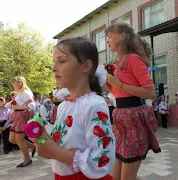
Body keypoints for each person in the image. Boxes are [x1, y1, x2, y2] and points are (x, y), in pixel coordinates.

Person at [31, 37, 115, 180]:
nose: (53, 68)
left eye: (61, 61)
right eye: (54, 62)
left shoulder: (94, 105)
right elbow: (71, 143)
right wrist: (47, 140)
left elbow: (102, 159)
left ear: (85, 66)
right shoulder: (64, 105)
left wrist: (55, 152)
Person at [105, 22, 161, 180]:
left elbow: (150, 93)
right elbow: (121, 94)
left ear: (122, 36)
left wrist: (118, 84)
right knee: (114, 176)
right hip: (121, 119)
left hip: (133, 119)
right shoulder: (119, 62)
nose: (107, 41)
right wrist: (111, 86)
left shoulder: (133, 59)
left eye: (110, 36)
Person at [8, 76, 36, 167]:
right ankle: (32, 146)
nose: (13, 84)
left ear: (21, 83)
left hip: (21, 117)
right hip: (16, 117)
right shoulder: (17, 93)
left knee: (19, 139)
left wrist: (17, 107)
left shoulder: (25, 92)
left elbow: (32, 106)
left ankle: (27, 159)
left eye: (15, 83)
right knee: (12, 139)